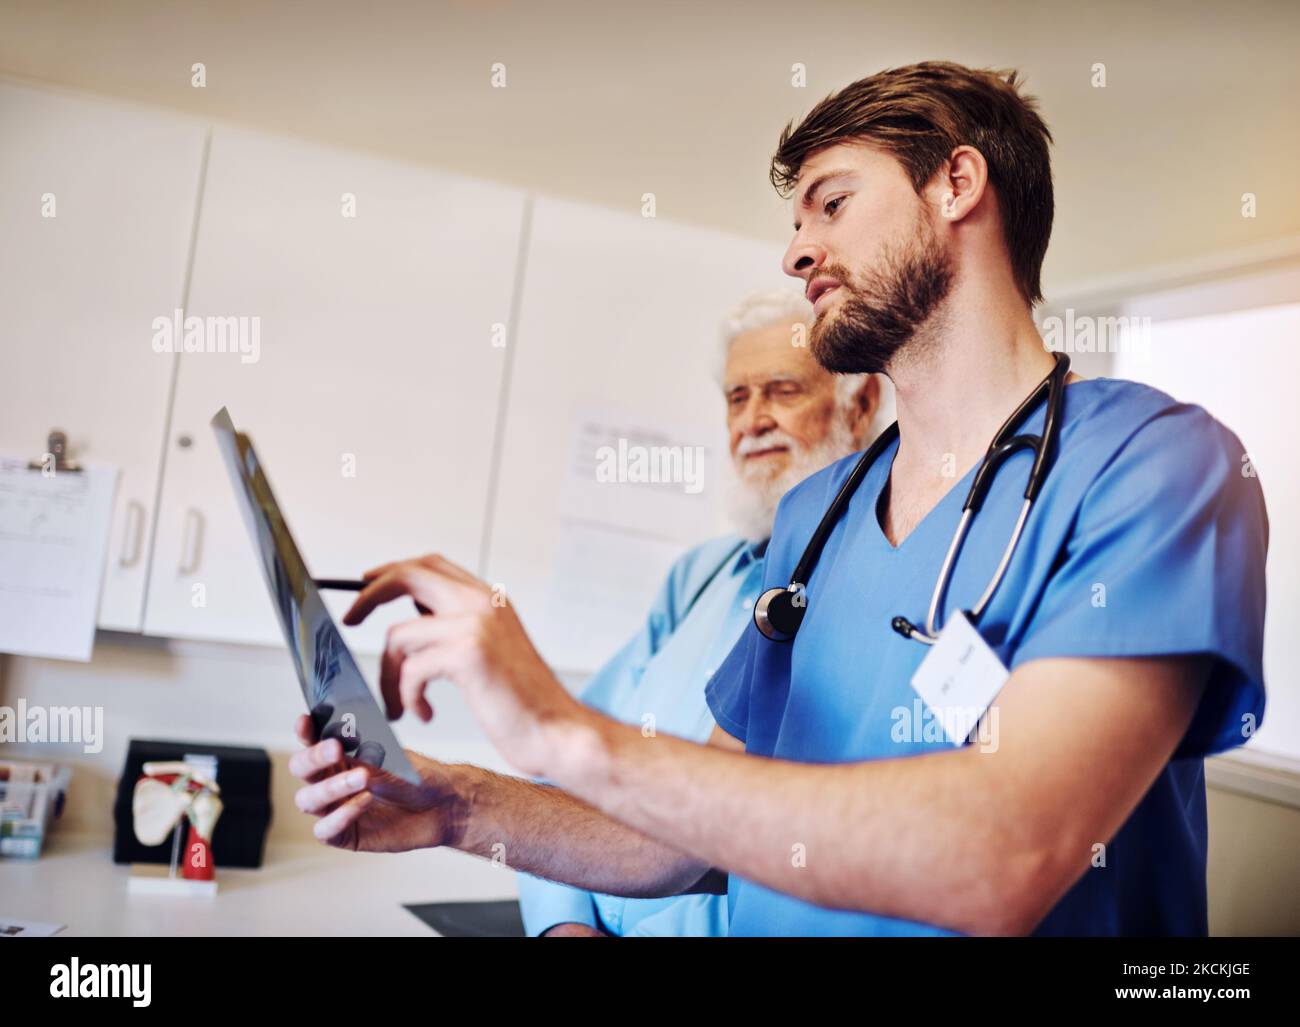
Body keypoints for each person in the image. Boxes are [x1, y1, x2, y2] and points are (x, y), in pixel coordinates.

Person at [290, 61, 1268, 936]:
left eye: (830, 205)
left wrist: (563, 730)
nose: (796, 255)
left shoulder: (1153, 466)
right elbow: (676, 847)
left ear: (956, 184)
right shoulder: (816, 520)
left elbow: (1005, 856)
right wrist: (453, 805)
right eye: (795, 226)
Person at [518, 289, 884, 936]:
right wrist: (563, 923)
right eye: (736, 398)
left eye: (782, 390)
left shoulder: (877, 587)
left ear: (860, 407)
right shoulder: (698, 576)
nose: (752, 420)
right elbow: (569, 762)